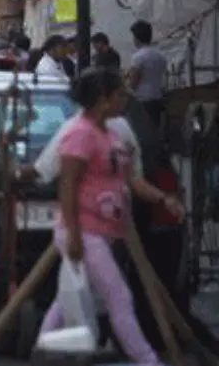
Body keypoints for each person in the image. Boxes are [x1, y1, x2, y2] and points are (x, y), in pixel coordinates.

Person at [38, 68, 183, 365]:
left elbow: (133, 180)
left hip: (99, 232)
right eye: (119, 94)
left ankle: (41, 351)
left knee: (68, 300)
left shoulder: (111, 134)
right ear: (103, 100)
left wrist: (164, 198)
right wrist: (76, 236)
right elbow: (68, 186)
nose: (124, 99)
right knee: (119, 297)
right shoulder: (80, 134)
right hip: (84, 232)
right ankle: (147, 360)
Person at [127, 20, 167, 129]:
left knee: (142, 132)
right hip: (157, 98)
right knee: (154, 130)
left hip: (142, 101)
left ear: (136, 37)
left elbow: (134, 82)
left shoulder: (138, 57)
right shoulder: (160, 56)